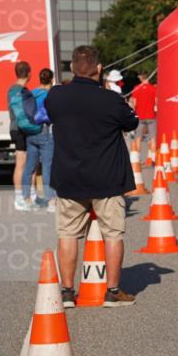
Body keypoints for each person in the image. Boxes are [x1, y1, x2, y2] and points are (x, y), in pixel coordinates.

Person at [45, 45, 139, 308]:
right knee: (113, 234)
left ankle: (66, 292)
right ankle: (113, 290)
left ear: (73, 68)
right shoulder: (110, 99)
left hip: (69, 178)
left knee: (67, 234)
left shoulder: (56, 96)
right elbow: (132, 122)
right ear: (99, 69)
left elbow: (53, 115)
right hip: (106, 179)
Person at [6, 60, 39, 211]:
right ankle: (20, 198)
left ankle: (28, 196)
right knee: (22, 164)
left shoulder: (12, 89)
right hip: (22, 129)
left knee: (28, 164)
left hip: (17, 128)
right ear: (30, 73)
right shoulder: (19, 90)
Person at [24, 68, 55, 212]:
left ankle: (26, 199)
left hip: (30, 132)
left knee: (29, 167)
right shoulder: (50, 94)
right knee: (48, 167)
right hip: (45, 131)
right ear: (52, 79)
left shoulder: (32, 93)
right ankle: (50, 201)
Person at [129, 71, 158, 158]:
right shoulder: (154, 88)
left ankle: (137, 158)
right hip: (151, 116)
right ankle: (153, 158)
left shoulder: (137, 88)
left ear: (141, 78)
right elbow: (157, 102)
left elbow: (134, 103)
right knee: (153, 137)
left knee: (138, 137)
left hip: (140, 116)